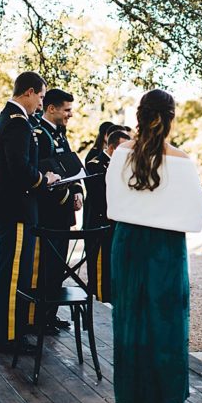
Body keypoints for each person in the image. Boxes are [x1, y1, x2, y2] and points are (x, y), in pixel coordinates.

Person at [106, 89, 202, 403]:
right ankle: (165, 397)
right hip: (164, 247)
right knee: (165, 322)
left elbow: (112, 202)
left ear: (140, 115)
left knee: (131, 319)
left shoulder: (121, 152)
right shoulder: (181, 161)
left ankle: (135, 395)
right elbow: (198, 216)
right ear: (171, 118)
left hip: (128, 243)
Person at [0, 71, 60, 354]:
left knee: (4, 270)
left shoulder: (11, 118)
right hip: (14, 207)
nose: (40, 103)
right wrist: (44, 179)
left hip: (7, 206)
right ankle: (10, 337)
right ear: (27, 92)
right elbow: (19, 169)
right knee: (13, 273)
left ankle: (1, 331)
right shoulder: (18, 124)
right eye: (39, 96)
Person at [33, 87, 84, 333]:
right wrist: (66, 194)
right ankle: (39, 317)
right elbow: (45, 174)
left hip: (64, 212)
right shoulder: (40, 135)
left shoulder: (60, 135)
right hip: (49, 212)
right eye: (67, 110)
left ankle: (50, 314)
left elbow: (71, 168)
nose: (70, 115)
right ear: (51, 108)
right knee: (47, 266)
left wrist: (78, 191)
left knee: (58, 265)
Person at [84, 129, 130, 304]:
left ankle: (112, 297)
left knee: (113, 263)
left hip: (117, 222)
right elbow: (100, 196)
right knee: (100, 265)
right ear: (112, 148)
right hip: (100, 222)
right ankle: (101, 301)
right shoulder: (95, 164)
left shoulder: (123, 164)